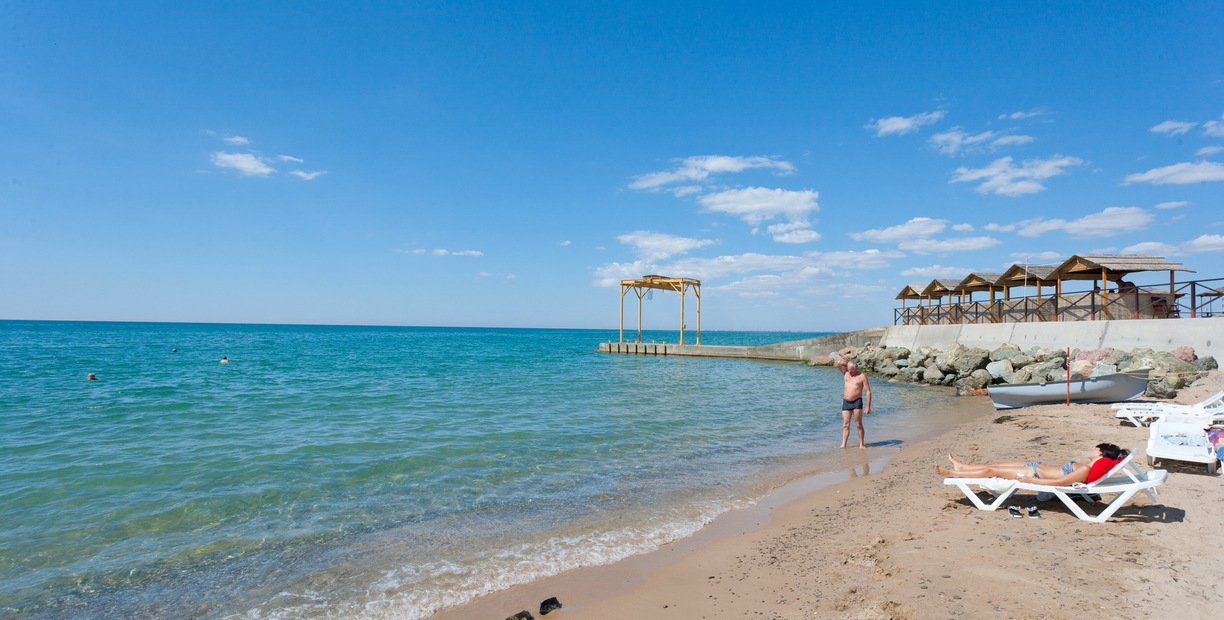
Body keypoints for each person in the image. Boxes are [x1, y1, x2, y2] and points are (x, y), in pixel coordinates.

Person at [935, 442, 1129, 486]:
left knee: (991, 470)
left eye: (1095, 449)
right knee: (996, 464)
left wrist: (1030, 480)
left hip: (1035, 474)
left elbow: (1058, 483)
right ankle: (962, 467)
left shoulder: (1086, 469)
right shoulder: (1088, 466)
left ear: (1101, 453)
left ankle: (953, 474)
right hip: (1036, 466)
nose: (1092, 450)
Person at [836, 359, 871, 448]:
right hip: (846, 402)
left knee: (858, 424)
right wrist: (849, 365)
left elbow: (868, 391)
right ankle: (843, 445)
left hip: (857, 402)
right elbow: (839, 362)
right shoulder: (846, 374)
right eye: (849, 369)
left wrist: (868, 406)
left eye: (852, 369)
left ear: (856, 368)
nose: (850, 371)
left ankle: (861, 444)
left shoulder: (862, 376)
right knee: (845, 424)